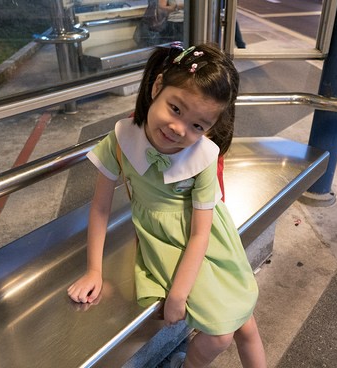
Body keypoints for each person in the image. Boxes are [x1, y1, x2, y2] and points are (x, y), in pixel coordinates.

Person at [67, 43, 266, 368]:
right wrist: (94, 270)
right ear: (157, 86)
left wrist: (178, 294)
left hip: (209, 241)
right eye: (175, 109)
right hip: (166, 244)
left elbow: (202, 235)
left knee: (245, 323)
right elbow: (100, 208)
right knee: (222, 333)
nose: (179, 129)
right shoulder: (121, 141)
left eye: (197, 126)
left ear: (209, 128)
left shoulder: (201, 157)